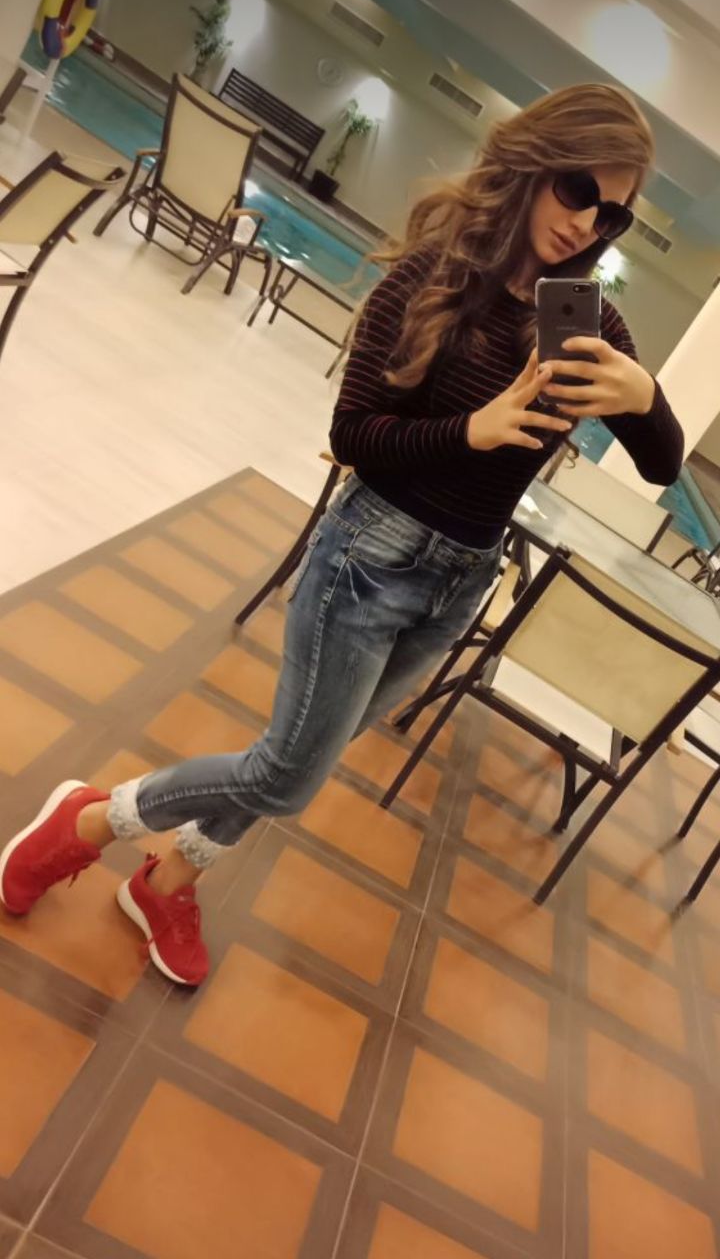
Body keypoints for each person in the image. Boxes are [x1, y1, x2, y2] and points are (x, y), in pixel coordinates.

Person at [0, 83, 683, 986]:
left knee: (296, 759)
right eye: (578, 190)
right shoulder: (432, 277)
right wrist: (472, 432)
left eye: (614, 214)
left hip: (460, 582)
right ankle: (90, 821)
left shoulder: (590, 324)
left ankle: (167, 881)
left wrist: (644, 396)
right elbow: (354, 435)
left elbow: (662, 464)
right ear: (534, 166)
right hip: (370, 560)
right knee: (289, 773)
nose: (588, 222)